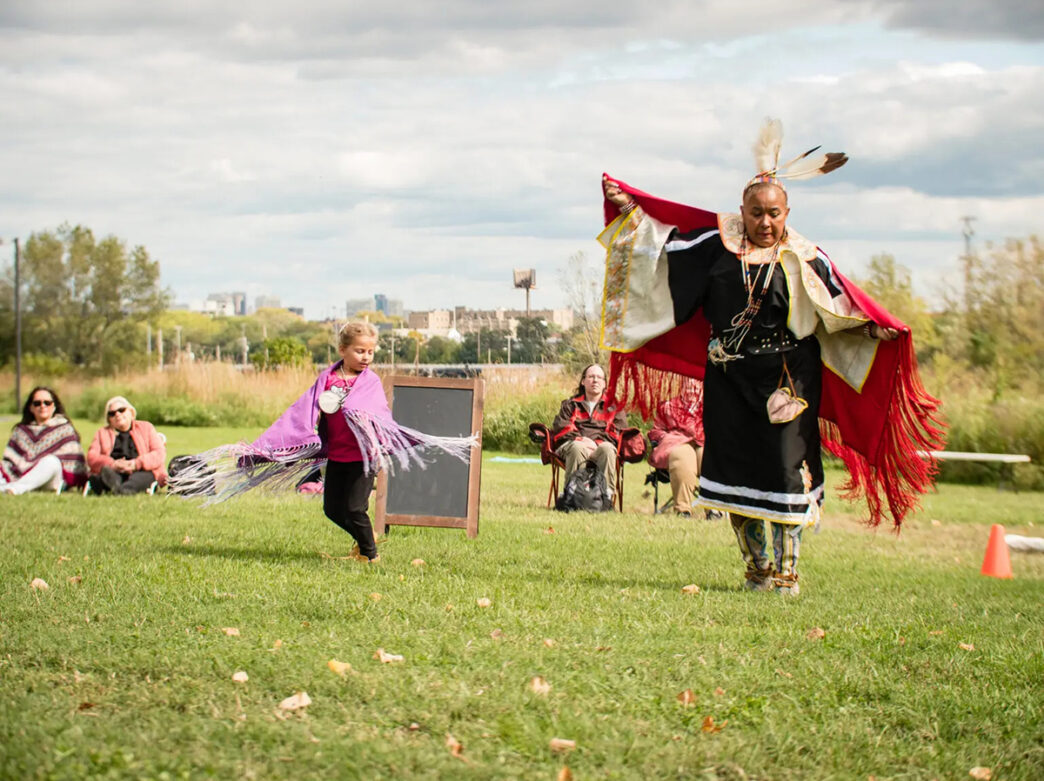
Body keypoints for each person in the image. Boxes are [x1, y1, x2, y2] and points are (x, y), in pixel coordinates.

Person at [598, 119, 943, 595]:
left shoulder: (804, 256)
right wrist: (631, 211)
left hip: (789, 382)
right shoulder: (716, 246)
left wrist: (872, 328)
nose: (766, 223)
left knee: (787, 471)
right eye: (757, 213)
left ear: (787, 211)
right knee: (734, 472)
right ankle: (756, 567)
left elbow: (838, 305)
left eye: (774, 213)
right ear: (743, 210)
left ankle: (787, 572)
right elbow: (663, 249)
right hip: (730, 382)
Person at [167, 321, 476, 562]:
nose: (366, 357)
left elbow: (376, 412)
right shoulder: (326, 378)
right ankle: (364, 542)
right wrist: (291, 441)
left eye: (370, 352)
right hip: (337, 455)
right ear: (343, 349)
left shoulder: (370, 382)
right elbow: (303, 410)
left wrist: (351, 410)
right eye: (359, 351)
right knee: (331, 509)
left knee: (355, 508)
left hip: (362, 456)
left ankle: (370, 554)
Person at [551, 363, 629, 501]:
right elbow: (561, 426)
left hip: (600, 449)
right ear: (583, 381)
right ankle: (572, 496)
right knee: (577, 447)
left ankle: (605, 497)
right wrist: (582, 440)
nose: (595, 380)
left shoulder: (614, 407)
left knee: (607, 448)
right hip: (573, 446)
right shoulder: (570, 404)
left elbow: (618, 430)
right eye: (591, 376)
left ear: (605, 383)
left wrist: (596, 444)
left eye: (599, 377)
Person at [1, 386, 87, 495]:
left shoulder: (65, 429)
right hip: (19, 474)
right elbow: (9, 462)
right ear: (31, 408)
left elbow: (74, 461)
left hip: (51, 479)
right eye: (37, 403)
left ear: (54, 406)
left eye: (47, 403)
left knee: (51, 462)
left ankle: (14, 489)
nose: (43, 406)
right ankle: (9, 487)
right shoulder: (21, 430)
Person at [86, 396, 168, 495]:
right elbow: (92, 457)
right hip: (115, 471)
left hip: (141, 471)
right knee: (106, 471)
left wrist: (136, 464)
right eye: (112, 413)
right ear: (109, 419)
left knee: (142, 477)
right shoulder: (102, 433)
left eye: (121, 410)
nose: (117, 414)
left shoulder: (146, 428)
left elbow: (159, 453)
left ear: (131, 412)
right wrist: (113, 464)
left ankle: (117, 489)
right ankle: (117, 487)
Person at [647, 378, 706, 516]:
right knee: (682, 456)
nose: (692, 389)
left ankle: (715, 510)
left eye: (696, 386)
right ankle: (683, 509)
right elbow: (656, 431)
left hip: (703, 442)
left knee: (709, 458)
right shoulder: (668, 406)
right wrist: (667, 438)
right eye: (688, 385)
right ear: (682, 387)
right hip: (677, 442)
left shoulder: (710, 407)